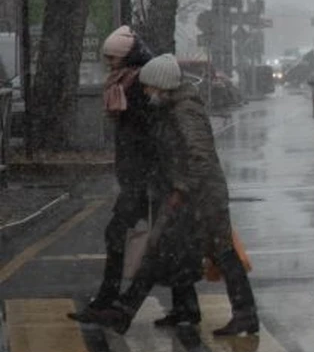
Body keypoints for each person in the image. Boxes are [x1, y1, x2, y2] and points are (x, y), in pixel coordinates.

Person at [92, 54, 259, 336]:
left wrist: (181, 188)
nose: (146, 92)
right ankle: (132, 312)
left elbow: (199, 156)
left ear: (162, 86)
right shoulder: (172, 108)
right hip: (190, 194)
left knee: (220, 252)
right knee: (163, 250)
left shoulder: (184, 112)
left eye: (149, 87)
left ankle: (244, 314)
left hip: (201, 196)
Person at [69, 26, 157, 323]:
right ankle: (186, 307)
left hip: (142, 177)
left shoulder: (139, 83)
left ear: (125, 56)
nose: (108, 62)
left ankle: (109, 301)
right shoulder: (127, 80)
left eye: (112, 56)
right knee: (167, 244)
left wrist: (140, 174)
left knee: (119, 235)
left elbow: (144, 133)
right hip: (138, 175)